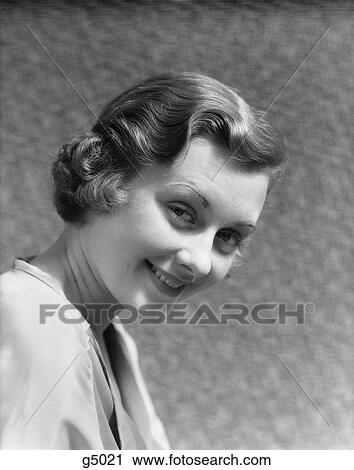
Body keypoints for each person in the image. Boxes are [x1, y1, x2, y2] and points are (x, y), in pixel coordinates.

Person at [0, 72, 285, 449]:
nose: (200, 262)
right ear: (105, 174)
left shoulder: (109, 338)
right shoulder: (31, 324)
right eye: (183, 211)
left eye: (227, 237)